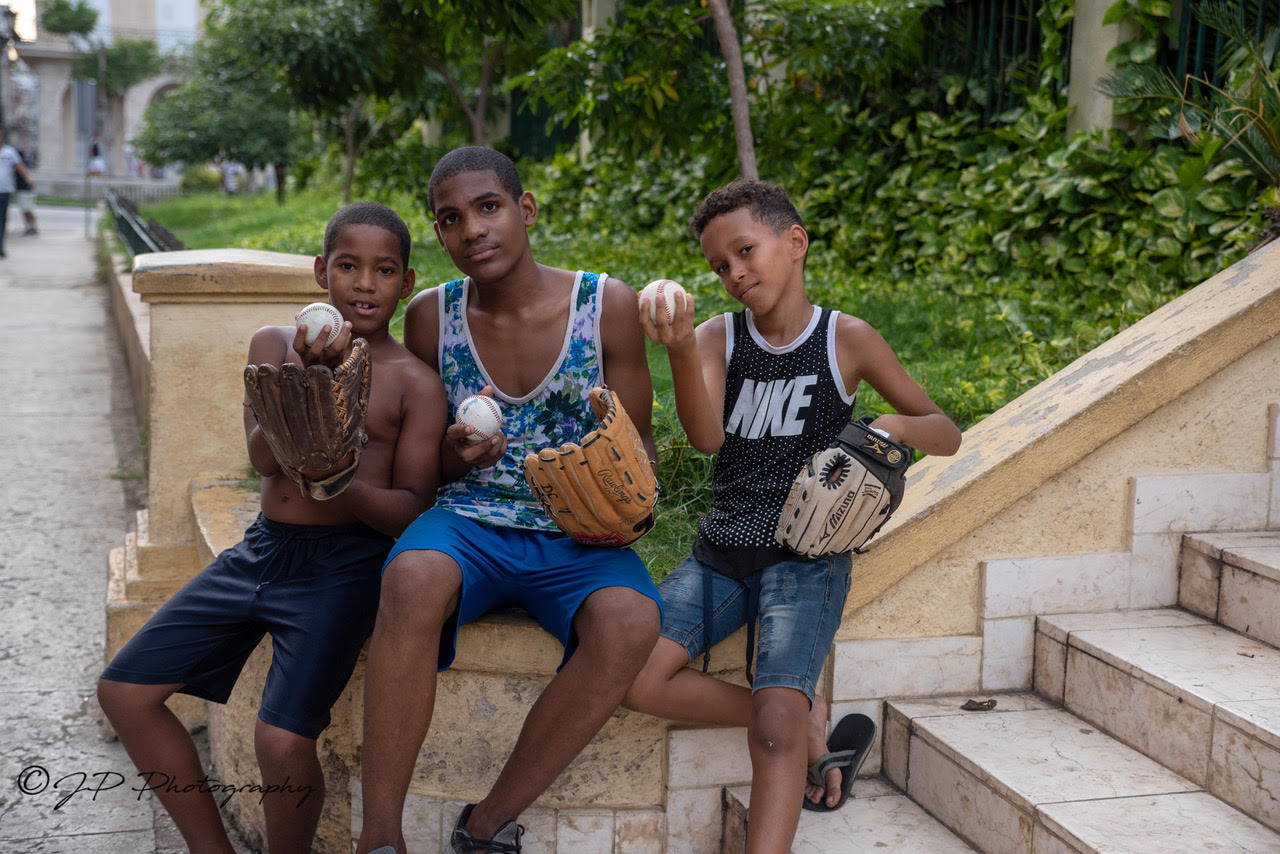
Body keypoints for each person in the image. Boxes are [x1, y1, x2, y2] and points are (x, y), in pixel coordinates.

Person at [622, 179, 962, 853]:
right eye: (719, 266)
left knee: (775, 727)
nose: (734, 273)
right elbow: (707, 438)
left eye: (745, 251)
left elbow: (944, 430)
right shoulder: (719, 337)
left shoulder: (846, 339)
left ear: (795, 242)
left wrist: (884, 426)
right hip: (721, 550)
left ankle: (790, 722)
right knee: (633, 676)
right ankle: (807, 722)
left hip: (807, 559)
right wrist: (683, 348)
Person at [98, 201, 446, 854]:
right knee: (123, 690)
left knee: (281, 739)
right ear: (322, 272)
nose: (365, 284)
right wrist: (310, 379)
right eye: (349, 266)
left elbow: (411, 509)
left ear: (405, 280)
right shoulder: (272, 346)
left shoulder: (413, 384)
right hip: (261, 551)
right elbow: (261, 456)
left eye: (384, 269)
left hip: (344, 567)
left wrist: (343, 478)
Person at [355, 147, 663, 854]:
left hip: (576, 533)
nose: (472, 231)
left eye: (488, 207)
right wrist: (455, 454)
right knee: (411, 576)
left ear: (524, 209)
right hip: (469, 521)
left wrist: (600, 480)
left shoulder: (603, 305)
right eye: (450, 219)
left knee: (629, 624)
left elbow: (636, 446)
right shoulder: (433, 317)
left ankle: (486, 825)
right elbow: (424, 461)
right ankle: (379, 839)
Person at [0, 128, 34, 257]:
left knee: (2, 219)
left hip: (4, 191)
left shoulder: (9, 152)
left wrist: (28, 179)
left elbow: (20, 167)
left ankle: (1, 246)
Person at [15, 149, 37, 236]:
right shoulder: (24, 164)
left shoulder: (20, 165)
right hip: (26, 190)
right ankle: (31, 227)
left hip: (24, 190)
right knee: (28, 210)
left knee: (26, 210)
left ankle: (30, 228)